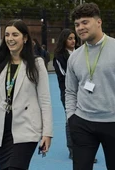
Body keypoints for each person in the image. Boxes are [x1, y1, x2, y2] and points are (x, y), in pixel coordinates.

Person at [0, 19, 53, 170]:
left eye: (15, 34)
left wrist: (47, 133)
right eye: (7, 35)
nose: (10, 39)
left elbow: (45, 100)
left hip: (27, 127)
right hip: (3, 128)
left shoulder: (37, 64)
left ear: (25, 38)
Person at [65, 3, 115, 170]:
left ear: (98, 22)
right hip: (82, 124)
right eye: (77, 24)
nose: (80, 28)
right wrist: (71, 117)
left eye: (85, 22)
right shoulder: (75, 56)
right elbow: (70, 91)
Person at [53, 29, 77, 159]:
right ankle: (72, 149)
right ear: (64, 40)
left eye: (74, 38)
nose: (73, 41)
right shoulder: (58, 57)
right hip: (67, 93)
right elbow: (65, 75)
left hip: (84, 93)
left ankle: (83, 149)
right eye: (70, 38)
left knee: (84, 121)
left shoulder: (81, 52)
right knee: (70, 120)